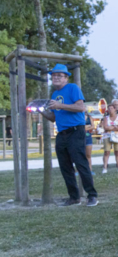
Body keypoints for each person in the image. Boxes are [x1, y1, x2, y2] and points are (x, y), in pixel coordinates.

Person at [40, 64, 98, 206]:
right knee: (65, 167)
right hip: (62, 134)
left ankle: (92, 196)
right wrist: (41, 111)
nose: (56, 78)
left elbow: (81, 107)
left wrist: (60, 106)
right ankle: (74, 197)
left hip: (76, 131)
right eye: (54, 76)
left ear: (66, 78)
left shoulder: (72, 88)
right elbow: (54, 117)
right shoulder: (54, 94)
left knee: (81, 163)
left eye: (60, 75)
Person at [101, 103, 118, 173]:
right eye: (109, 109)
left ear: (115, 109)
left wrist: (110, 128)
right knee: (106, 152)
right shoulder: (106, 118)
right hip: (107, 136)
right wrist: (115, 127)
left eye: (111, 108)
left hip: (117, 136)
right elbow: (105, 127)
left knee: (117, 152)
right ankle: (105, 167)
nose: (110, 110)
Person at [84, 110, 95, 175]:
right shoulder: (78, 117)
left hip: (88, 137)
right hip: (79, 138)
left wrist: (85, 128)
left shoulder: (89, 117)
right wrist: (88, 127)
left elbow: (93, 126)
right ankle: (78, 170)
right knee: (80, 155)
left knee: (88, 155)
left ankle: (90, 169)